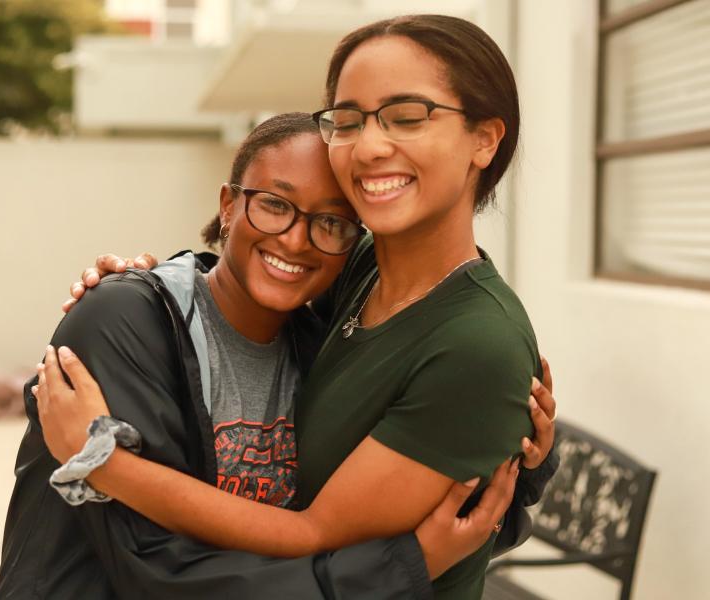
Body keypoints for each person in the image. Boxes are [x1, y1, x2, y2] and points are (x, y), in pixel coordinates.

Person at [37, 14, 557, 600]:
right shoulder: (361, 268)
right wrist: (143, 286)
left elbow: (316, 532)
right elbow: (260, 261)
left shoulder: (476, 342)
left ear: (485, 139)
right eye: (349, 120)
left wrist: (101, 462)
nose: (370, 145)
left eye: (407, 117)